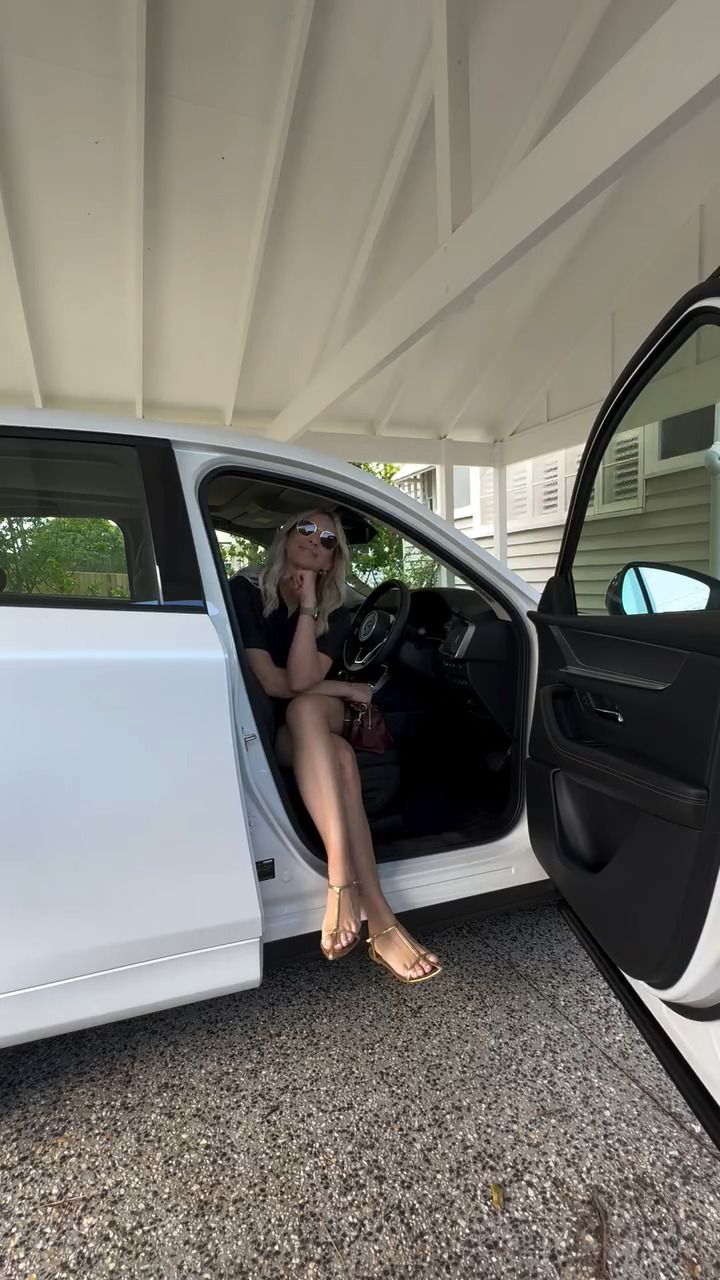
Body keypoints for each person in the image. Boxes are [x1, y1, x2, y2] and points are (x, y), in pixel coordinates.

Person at [230, 509, 442, 984]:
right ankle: (378, 918)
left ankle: (347, 888)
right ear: (285, 534)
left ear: (331, 560)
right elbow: (276, 684)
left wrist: (310, 606)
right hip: (272, 732)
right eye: (306, 529)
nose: (315, 540)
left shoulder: (337, 611)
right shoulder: (246, 591)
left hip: (306, 720)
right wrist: (346, 688)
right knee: (336, 749)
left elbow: (301, 680)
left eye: (328, 540)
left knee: (311, 714)